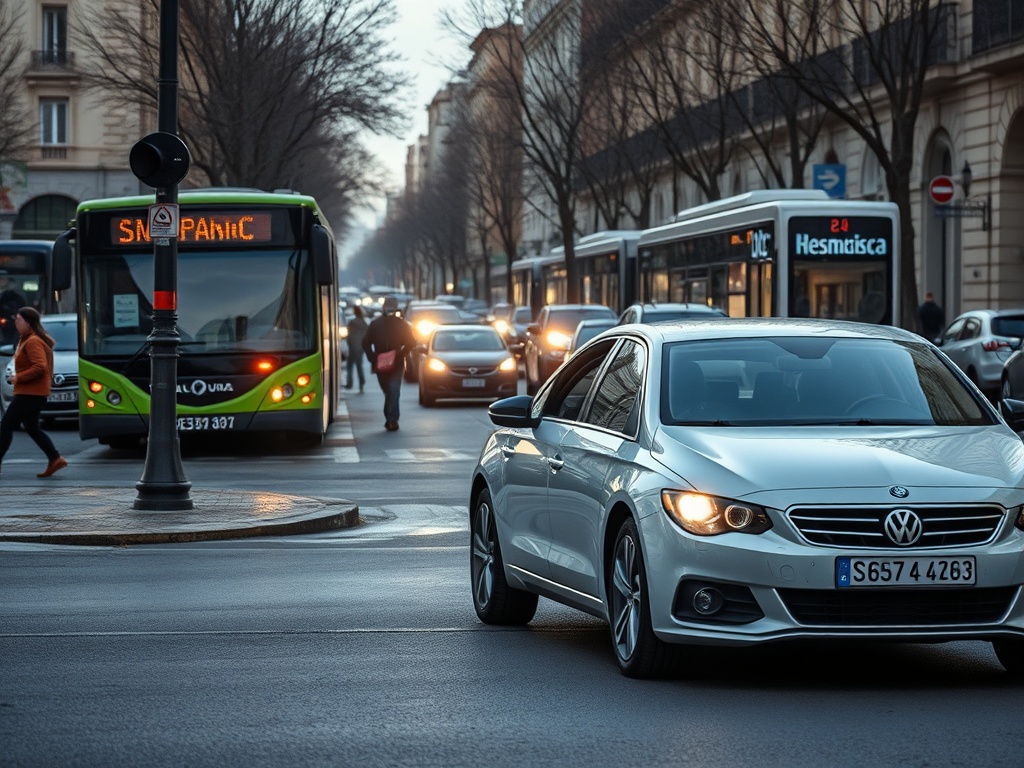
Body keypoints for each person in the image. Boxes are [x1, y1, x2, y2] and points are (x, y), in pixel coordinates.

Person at [0, 307, 68, 478]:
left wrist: (18, 378)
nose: (15, 322)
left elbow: (40, 367)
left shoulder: (33, 341)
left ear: (28, 322)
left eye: (18, 319)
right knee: (32, 427)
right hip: (34, 392)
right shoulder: (29, 339)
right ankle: (55, 458)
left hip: (31, 393)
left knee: (6, 425)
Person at [362, 296, 416, 432]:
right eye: (388, 307)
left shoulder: (402, 324)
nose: (389, 310)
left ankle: (392, 420)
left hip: (396, 363)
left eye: (392, 308)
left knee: (393, 390)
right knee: (389, 391)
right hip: (381, 363)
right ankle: (390, 416)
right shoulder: (376, 324)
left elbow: (411, 342)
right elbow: (365, 342)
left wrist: (401, 354)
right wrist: (372, 357)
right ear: (383, 308)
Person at [344, 305, 369, 393]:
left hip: (353, 346)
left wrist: (349, 342)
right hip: (361, 347)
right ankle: (361, 383)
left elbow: (349, 334)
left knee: (350, 365)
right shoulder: (364, 322)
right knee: (359, 365)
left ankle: (349, 383)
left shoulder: (352, 322)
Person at [0, 277, 26, 345]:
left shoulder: (14, 296)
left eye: (3, 279)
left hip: (8, 323)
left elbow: (17, 307)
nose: (1, 281)